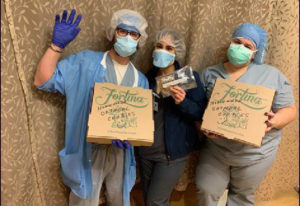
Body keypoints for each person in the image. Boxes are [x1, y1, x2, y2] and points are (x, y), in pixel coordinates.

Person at [34, 9, 149, 206]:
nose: (128, 37)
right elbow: (42, 81)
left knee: (120, 199)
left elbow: (141, 123)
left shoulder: (141, 80)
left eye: (134, 34)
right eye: (122, 31)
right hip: (86, 151)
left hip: (120, 153)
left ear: (140, 39)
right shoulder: (85, 62)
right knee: (84, 201)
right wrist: (56, 46)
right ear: (113, 33)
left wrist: (131, 138)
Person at [196, 23, 297, 206]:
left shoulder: (272, 75)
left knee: (242, 197)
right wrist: (202, 128)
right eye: (237, 42)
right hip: (216, 150)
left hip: (256, 154)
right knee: (206, 189)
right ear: (230, 43)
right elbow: (197, 110)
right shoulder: (209, 73)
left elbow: (290, 110)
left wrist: (275, 121)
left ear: (254, 52)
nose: (240, 48)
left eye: (247, 46)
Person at [137, 29, 207, 206]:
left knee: (156, 200)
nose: (162, 51)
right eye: (159, 46)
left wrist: (183, 101)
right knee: (149, 199)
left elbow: (202, 113)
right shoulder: (145, 79)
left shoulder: (188, 78)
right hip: (145, 151)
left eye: (169, 48)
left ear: (177, 53)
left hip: (172, 154)